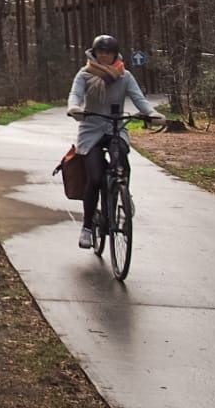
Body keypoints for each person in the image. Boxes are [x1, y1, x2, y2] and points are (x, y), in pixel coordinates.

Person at [65, 34, 161, 250]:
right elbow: (75, 95)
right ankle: (88, 227)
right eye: (101, 52)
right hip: (91, 130)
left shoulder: (124, 76)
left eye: (108, 52)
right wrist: (75, 109)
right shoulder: (85, 74)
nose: (104, 56)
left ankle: (123, 193)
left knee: (121, 163)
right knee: (96, 177)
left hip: (116, 127)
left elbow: (139, 99)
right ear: (95, 53)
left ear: (115, 54)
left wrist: (152, 114)